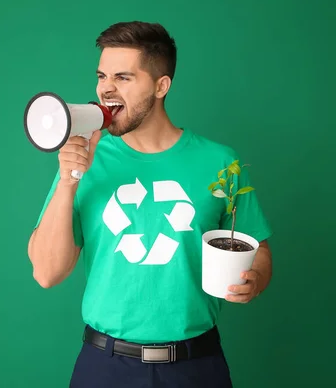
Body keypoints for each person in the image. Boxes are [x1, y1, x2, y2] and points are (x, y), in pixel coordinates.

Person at [27, 20, 273, 388]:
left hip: (196, 365)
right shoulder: (85, 158)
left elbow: (259, 249)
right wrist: (67, 182)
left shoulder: (221, 162)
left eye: (123, 77)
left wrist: (256, 279)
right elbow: (46, 273)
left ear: (161, 86)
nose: (106, 88)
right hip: (105, 366)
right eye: (102, 75)